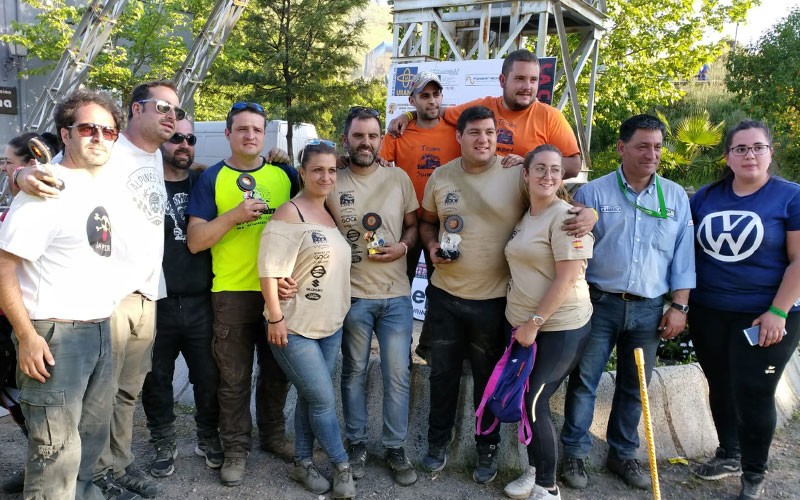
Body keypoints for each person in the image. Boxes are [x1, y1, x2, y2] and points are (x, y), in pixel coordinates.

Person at [17, 80, 179, 499]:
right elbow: (51, 172)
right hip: (106, 298)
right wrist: (22, 173)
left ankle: (110, 469)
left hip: (145, 293)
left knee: (123, 393)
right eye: (162, 107)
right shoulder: (106, 151)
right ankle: (83, 477)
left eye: (176, 111)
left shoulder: (153, 157)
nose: (171, 117)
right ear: (137, 109)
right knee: (79, 413)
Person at [418, 106, 595, 484]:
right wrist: (431, 247)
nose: (483, 140)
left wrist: (591, 215)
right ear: (459, 137)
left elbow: (555, 200)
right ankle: (437, 445)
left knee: (490, 380)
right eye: (475, 133)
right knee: (442, 375)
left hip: (495, 302)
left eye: (489, 132)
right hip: (445, 296)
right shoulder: (440, 176)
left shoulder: (516, 172)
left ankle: (487, 450)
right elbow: (427, 223)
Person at [0, 90, 125, 500]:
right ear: (65, 134)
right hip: (54, 335)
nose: (99, 138)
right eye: (88, 128)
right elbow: (4, 267)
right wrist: (26, 335)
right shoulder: (46, 190)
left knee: (88, 445)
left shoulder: (100, 182)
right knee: (56, 455)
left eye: (108, 131)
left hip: (100, 329)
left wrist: (15, 174)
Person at [560, 114, 695, 491]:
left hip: (650, 308)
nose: (651, 154)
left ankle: (623, 454)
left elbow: (684, 255)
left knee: (636, 385)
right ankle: (574, 453)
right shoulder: (593, 194)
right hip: (599, 304)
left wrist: (679, 305)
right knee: (584, 380)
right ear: (621, 148)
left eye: (657, 146)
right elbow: (574, 250)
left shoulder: (675, 196)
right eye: (642, 146)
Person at [186, 101, 299, 486]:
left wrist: (293, 276)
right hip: (231, 292)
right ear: (229, 134)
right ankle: (235, 447)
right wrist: (233, 216)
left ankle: (273, 435)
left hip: (277, 294)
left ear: (264, 135)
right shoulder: (212, 178)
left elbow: (308, 229)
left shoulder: (285, 176)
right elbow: (196, 241)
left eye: (257, 129)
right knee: (233, 377)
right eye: (243, 129)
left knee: (276, 374)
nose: (250, 135)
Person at [688, 120, 800, 500]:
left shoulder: (790, 197)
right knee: (720, 386)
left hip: (767, 314)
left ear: (771, 152)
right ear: (727, 156)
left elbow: (799, 261)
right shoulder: (704, 198)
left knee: (754, 391)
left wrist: (779, 312)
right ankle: (730, 453)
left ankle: (754, 472)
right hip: (710, 311)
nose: (749, 154)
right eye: (740, 148)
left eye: (757, 147)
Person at [259, 141, 356, 499]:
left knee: (310, 398)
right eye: (317, 169)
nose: (326, 176)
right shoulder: (290, 212)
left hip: (330, 326)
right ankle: (343, 466)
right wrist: (275, 316)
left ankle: (303, 463)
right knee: (322, 400)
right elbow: (269, 270)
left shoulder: (329, 213)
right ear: (302, 172)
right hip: (293, 327)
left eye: (332, 170)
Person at [331, 108, 419, 485]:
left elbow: (415, 226)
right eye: (357, 136)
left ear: (381, 139)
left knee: (398, 375)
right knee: (353, 373)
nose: (365, 143)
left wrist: (402, 246)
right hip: (352, 296)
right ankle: (356, 444)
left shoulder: (398, 178)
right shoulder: (332, 179)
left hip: (397, 297)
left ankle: (395, 448)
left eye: (371, 136)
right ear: (346, 139)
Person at [500, 145, 593, 500]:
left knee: (534, 401)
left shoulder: (568, 216)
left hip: (559, 327)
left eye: (555, 169)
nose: (548, 176)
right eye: (539, 168)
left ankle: (548, 487)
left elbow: (567, 278)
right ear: (526, 174)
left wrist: (533, 323)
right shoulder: (529, 216)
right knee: (524, 398)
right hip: (526, 326)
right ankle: (536, 470)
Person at [140, 119, 222, 478]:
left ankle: (207, 436)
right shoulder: (141, 184)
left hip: (201, 299)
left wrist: (281, 160)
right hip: (154, 302)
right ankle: (163, 440)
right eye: (176, 138)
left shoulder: (204, 183)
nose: (184, 144)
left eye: (190, 138)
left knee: (209, 377)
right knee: (155, 378)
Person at [388, 49, 582, 178]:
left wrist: (530, 162)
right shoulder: (484, 106)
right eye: (520, 79)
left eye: (533, 80)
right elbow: (438, 110)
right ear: (502, 80)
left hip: (526, 208)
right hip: (479, 203)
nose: (527, 86)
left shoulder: (551, 117)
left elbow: (574, 166)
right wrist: (408, 116)